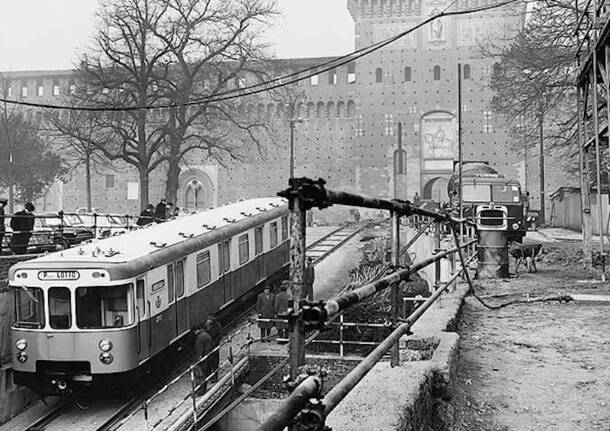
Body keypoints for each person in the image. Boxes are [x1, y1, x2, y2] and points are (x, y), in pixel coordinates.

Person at [193, 322, 213, 395]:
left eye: (194, 332)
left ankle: (200, 391)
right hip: (209, 356)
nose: (194, 333)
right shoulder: (206, 334)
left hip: (204, 358)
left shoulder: (199, 338)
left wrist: (198, 361)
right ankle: (203, 389)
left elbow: (199, 351)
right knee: (206, 373)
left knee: (200, 375)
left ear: (197, 330)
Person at [205, 314, 222, 380]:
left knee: (215, 362)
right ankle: (209, 376)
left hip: (214, 346)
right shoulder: (204, 326)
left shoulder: (217, 326)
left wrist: (214, 342)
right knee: (208, 362)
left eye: (210, 320)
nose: (208, 322)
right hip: (207, 347)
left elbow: (220, 335)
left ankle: (215, 376)